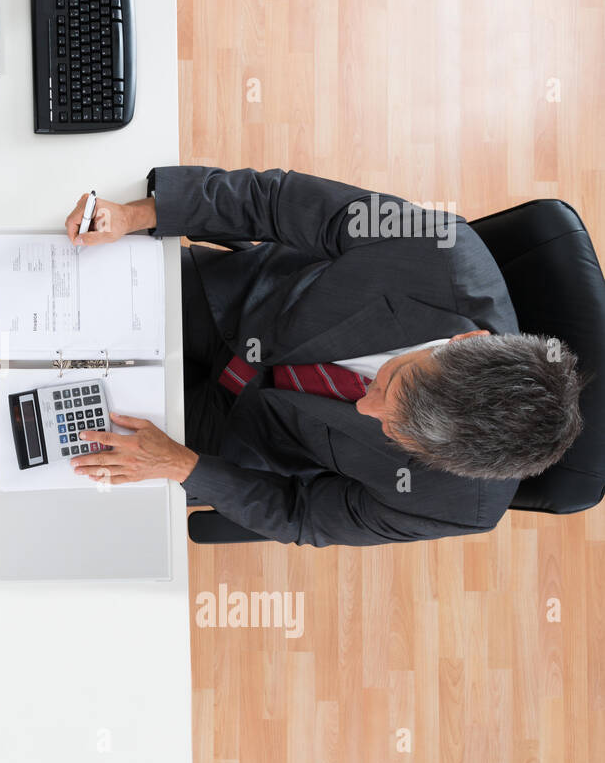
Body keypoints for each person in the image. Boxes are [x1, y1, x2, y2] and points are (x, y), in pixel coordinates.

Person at [62, 166, 585, 546]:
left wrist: (184, 467)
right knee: (55, 300)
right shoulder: (440, 250)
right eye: (392, 385)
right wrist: (136, 214)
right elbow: (275, 202)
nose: (365, 409)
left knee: (55, 451)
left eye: (397, 434)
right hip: (232, 305)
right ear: (463, 344)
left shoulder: (458, 503)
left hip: (235, 434)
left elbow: (301, 514)